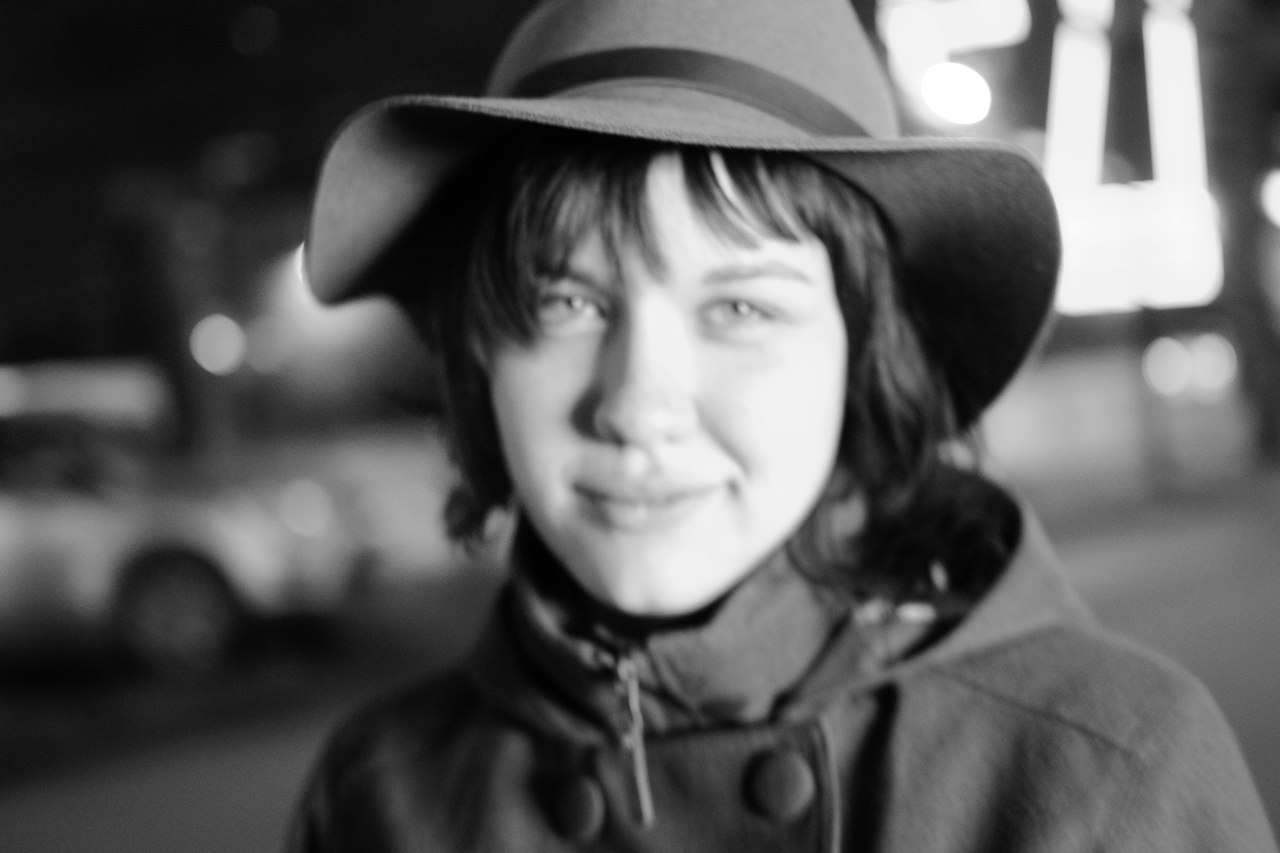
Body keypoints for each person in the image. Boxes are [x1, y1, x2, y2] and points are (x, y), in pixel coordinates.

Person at [287, 0, 1278, 849]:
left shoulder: (1106, 770)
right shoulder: (377, 795)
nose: (636, 407)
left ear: (863, 355)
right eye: (566, 302)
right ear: (478, 354)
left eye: (740, 308)